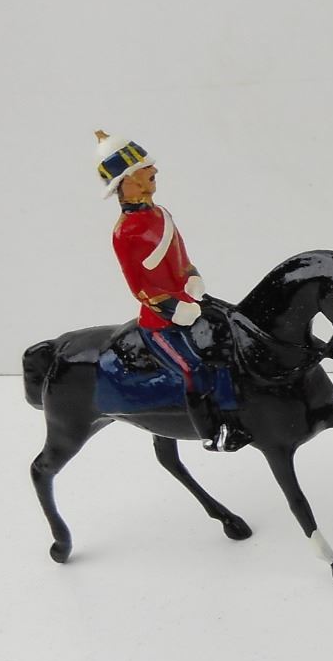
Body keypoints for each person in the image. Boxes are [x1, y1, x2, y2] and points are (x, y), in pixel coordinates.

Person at [98, 130, 243, 451]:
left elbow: (181, 257)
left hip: (191, 301)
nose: (153, 173)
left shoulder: (161, 214)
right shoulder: (124, 233)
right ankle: (211, 433)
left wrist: (192, 277)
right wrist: (172, 308)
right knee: (191, 368)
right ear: (126, 181)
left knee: (230, 338)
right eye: (144, 171)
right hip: (161, 320)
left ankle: (235, 411)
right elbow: (139, 286)